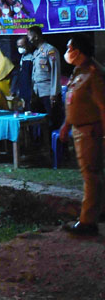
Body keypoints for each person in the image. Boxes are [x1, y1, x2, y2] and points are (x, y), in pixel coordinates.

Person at [58, 34, 105, 236]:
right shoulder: (79, 72)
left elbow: (103, 107)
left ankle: (87, 222)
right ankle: (96, 213)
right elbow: (74, 103)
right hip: (79, 129)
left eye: (69, 48)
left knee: (91, 176)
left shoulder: (94, 74)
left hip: (90, 130)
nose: (67, 52)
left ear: (78, 51)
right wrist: (65, 126)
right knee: (91, 174)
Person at [27, 25, 62, 128]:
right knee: (41, 123)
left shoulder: (50, 50)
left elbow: (55, 72)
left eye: (29, 36)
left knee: (53, 122)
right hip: (38, 93)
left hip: (49, 93)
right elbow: (34, 75)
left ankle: (56, 144)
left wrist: (54, 93)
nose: (28, 39)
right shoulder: (36, 53)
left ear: (36, 36)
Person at [11, 35, 34, 110]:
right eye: (18, 46)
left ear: (27, 45)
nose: (20, 48)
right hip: (22, 90)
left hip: (30, 90)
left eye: (22, 46)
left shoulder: (32, 58)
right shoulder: (22, 57)